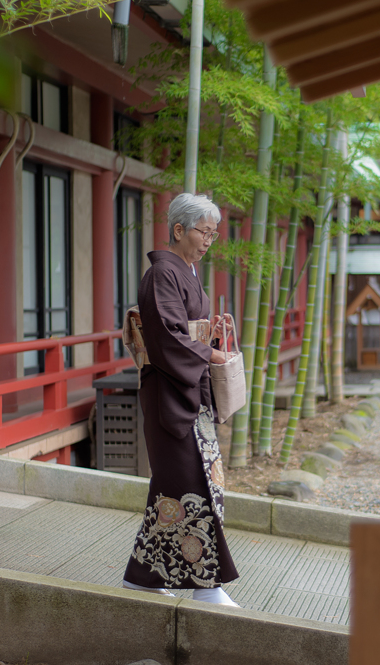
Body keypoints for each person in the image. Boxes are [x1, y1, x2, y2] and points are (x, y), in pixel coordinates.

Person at [121, 193, 239, 606]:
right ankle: (206, 586)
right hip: (170, 396)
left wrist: (212, 335)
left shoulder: (185, 271)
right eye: (203, 232)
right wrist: (209, 352)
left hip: (190, 393)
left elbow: (188, 330)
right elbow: (168, 337)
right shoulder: (162, 275)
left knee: (175, 489)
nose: (210, 240)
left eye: (213, 233)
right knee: (194, 487)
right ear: (177, 230)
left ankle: (144, 575)